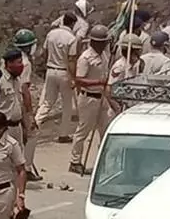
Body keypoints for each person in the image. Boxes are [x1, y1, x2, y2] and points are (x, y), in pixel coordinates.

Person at [70, 25, 112, 175]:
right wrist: (99, 82)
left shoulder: (105, 56)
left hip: (102, 98)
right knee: (83, 131)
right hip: (88, 98)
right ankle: (75, 161)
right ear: (94, 42)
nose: (104, 45)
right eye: (102, 42)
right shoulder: (85, 58)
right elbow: (79, 80)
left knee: (105, 130)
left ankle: (104, 161)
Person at [35, 12, 79, 144]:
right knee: (67, 106)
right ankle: (63, 134)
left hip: (50, 70)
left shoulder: (51, 34)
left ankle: (35, 123)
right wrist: (74, 77)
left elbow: (45, 52)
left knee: (48, 102)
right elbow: (71, 60)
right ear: (72, 24)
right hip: (64, 72)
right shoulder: (71, 38)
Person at [12, 29, 41, 182]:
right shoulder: (26, 63)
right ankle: (26, 167)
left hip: (8, 101)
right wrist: (29, 113)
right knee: (32, 133)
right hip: (19, 103)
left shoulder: (9, 59)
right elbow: (24, 89)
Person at [0, 49, 28, 147]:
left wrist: (24, 126)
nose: (21, 65)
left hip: (17, 127)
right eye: (19, 62)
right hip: (4, 128)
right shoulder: (0, 81)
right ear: (9, 64)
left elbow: (19, 103)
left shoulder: (17, 79)